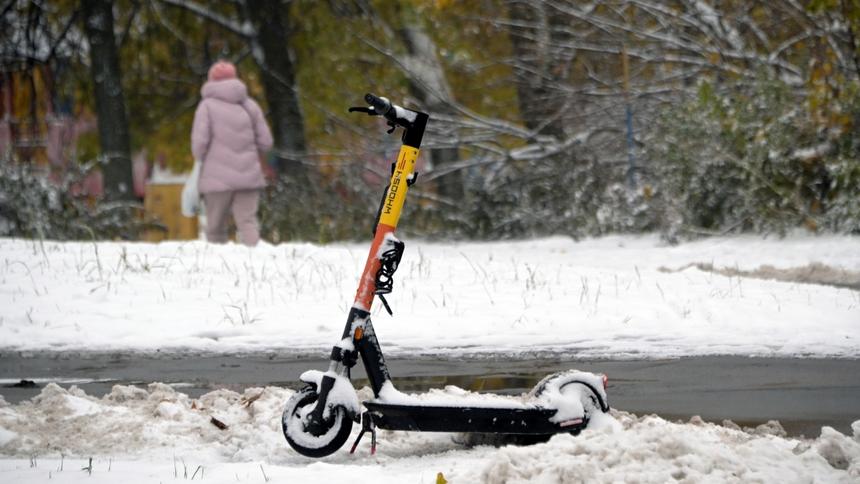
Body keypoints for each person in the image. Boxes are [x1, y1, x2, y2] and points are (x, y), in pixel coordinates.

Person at [191, 61, 273, 246]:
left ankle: (216, 261)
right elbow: (266, 142)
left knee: (215, 227)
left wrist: (201, 157)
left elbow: (199, 145)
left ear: (211, 80)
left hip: (217, 178)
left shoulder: (206, 106)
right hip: (248, 177)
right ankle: (256, 260)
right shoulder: (250, 106)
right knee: (248, 223)